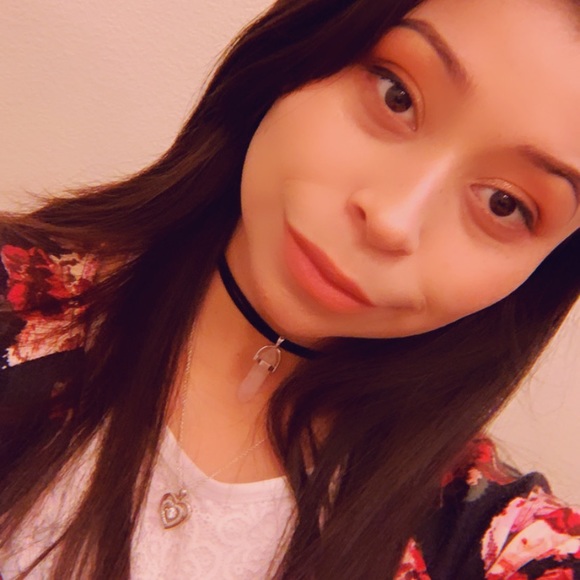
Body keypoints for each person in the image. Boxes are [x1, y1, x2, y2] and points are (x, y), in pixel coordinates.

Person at [0, 0, 579, 577]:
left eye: (504, 204)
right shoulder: (18, 303)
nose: (391, 220)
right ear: (306, 46)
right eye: (397, 96)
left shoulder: (498, 539)